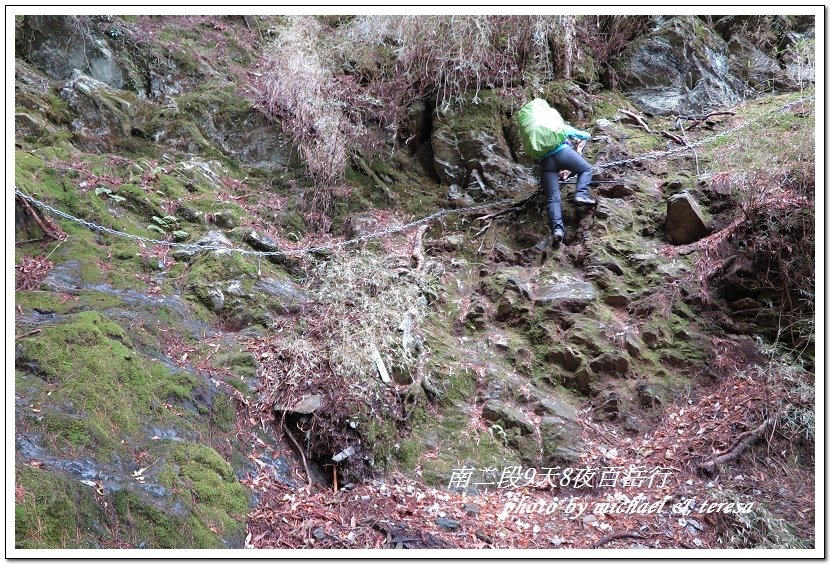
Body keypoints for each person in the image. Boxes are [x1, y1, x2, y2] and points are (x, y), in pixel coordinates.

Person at [538, 124, 596, 245]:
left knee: (553, 196)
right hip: (562, 153)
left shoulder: (534, 133)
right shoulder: (551, 122)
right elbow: (570, 130)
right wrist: (587, 135)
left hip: (545, 162)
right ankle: (581, 194)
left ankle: (557, 230)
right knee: (586, 169)